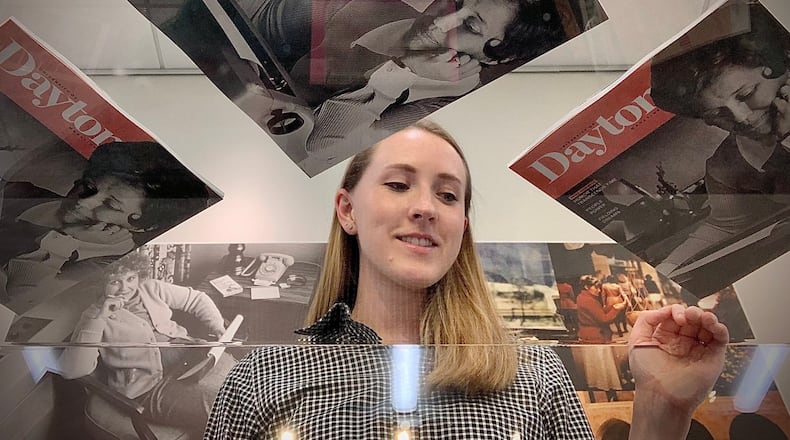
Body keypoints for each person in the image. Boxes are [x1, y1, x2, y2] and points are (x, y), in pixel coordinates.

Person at [206, 121, 729, 439]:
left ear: (462, 227)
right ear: (347, 210)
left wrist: (661, 408)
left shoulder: (534, 370)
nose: (424, 208)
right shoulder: (264, 375)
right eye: (397, 184)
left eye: (449, 195)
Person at [650, 3, 790, 279]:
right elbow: (725, 226)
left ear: (779, 65)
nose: (742, 118)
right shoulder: (724, 166)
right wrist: (663, 272)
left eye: (747, 93)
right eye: (716, 115)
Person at [0, 140, 212, 308]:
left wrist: (61, 242)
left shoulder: (108, 270)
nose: (83, 201)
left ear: (140, 225)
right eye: (89, 186)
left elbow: (19, 302)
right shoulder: (21, 192)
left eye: (111, 204)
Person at [55, 252, 235, 436]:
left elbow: (197, 299)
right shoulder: (94, 315)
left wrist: (217, 326)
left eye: (131, 278)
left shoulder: (150, 288)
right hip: (151, 388)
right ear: (100, 283)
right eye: (115, 281)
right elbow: (72, 370)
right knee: (224, 408)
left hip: (193, 358)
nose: (125, 288)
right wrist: (99, 318)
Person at [577, 274, 625, 343]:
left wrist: (609, 308)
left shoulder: (581, 297)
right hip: (596, 336)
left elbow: (596, 313)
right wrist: (615, 309)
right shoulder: (590, 300)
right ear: (586, 287)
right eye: (596, 288)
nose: (599, 290)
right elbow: (604, 319)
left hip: (586, 334)